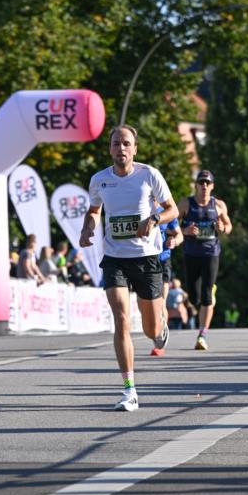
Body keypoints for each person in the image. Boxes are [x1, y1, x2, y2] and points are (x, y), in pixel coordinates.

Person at [80, 124, 178, 412]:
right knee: (121, 317)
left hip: (147, 257)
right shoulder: (99, 180)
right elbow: (94, 211)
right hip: (115, 257)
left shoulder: (149, 175)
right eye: (115, 144)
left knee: (151, 330)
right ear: (109, 148)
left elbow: (172, 207)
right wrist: (88, 229)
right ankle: (129, 390)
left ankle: (160, 324)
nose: (120, 149)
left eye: (126, 144)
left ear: (135, 148)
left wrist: (155, 219)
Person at [178, 169, 232, 351]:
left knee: (207, 295)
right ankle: (202, 299)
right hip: (191, 253)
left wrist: (222, 227)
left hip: (211, 253)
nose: (204, 186)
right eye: (201, 182)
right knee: (193, 297)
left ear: (212, 186)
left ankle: (202, 335)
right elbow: (172, 225)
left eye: (207, 183)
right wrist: (185, 231)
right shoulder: (186, 203)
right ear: (196, 185)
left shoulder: (219, 205)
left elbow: (229, 226)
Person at [150, 208, 182, 355]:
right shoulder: (138, 204)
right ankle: (156, 334)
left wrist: (174, 241)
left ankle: (159, 341)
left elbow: (179, 234)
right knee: (149, 303)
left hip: (163, 259)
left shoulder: (166, 210)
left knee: (161, 301)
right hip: (144, 261)